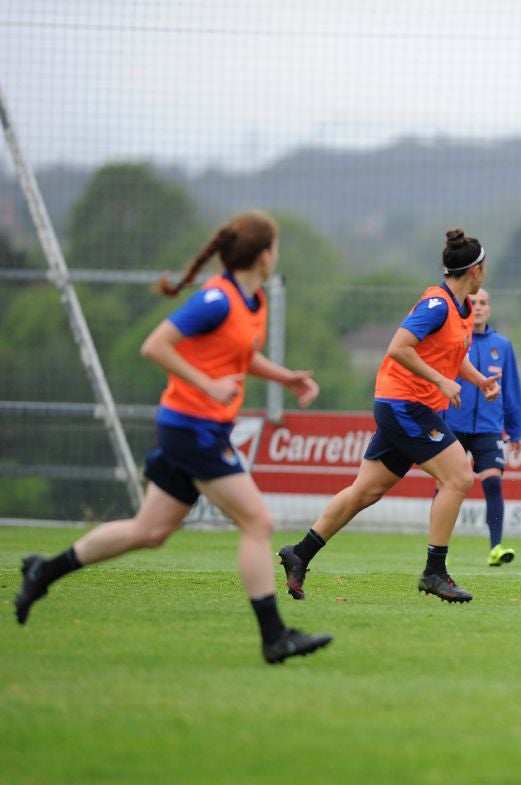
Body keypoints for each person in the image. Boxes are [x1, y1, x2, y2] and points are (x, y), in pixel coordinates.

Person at [13, 211, 331, 664]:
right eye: (275, 247)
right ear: (264, 256)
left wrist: (286, 377)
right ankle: (274, 637)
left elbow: (241, 356)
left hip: (197, 427)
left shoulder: (253, 301)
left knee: (150, 530)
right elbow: (155, 345)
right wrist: (207, 385)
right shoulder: (216, 299)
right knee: (258, 522)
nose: (276, 255)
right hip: (191, 428)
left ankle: (44, 572)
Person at [277, 229, 499, 603]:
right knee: (459, 476)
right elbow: (399, 347)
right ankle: (434, 572)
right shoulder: (437, 304)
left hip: (410, 406)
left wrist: (478, 380)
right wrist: (441, 381)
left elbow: (449, 354)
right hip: (404, 405)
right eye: (485, 266)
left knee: (366, 491)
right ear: (476, 270)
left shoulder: (461, 308)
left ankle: (300, 553)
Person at [444, 288, 521, 566]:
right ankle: (439, 549)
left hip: (489, 428)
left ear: (489, 308)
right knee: (447, 485)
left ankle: (496, 548)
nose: (477, 307)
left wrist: (515, 430)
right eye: (472, 302)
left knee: (492, 481)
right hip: (453, 425)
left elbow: (511, 390)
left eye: (482, 303)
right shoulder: (454, 341)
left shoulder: (502, 345)